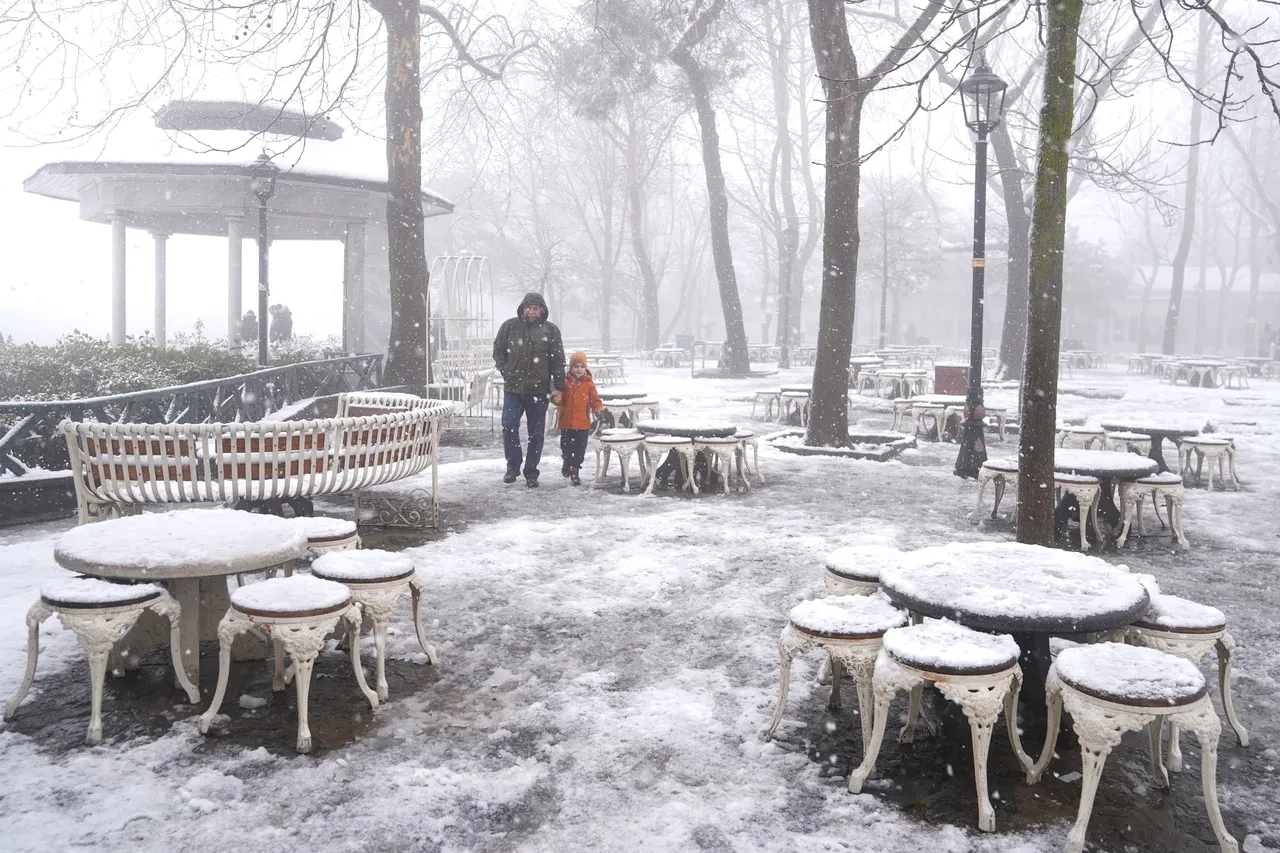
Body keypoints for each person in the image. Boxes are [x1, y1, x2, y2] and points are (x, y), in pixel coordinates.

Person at [492, 292, 565, 487]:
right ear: (523, 308)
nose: (531, 311)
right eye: (528, 307)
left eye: (535, 308)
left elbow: (558, 360)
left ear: (542, 310)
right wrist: (505, 369)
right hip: (513, 389)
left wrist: (559, 387)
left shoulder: (550, 331)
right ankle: (513, 466)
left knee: (536, 433)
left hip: (538, 391)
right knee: (509, 426)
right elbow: (498, 349)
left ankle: (531, 471)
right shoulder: (510, 327)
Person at [557, 352, 604, 486]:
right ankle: (566, 461)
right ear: (571, 368)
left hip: (582, 423)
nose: (579, 369)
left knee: (580, 449)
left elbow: (595, 400)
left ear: (586, 368)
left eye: (582, 366)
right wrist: (556, 396)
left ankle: (575, 471)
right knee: (566, 447)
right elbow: (558, 397)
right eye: (576, 366)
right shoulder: (565, 382)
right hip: (566, 422)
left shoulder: (589, 384)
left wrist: (598, 410)